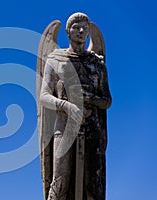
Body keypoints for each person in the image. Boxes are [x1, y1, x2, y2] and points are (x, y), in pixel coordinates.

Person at [39, 13, 112, 200]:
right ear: (67, 31)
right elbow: (44, 96)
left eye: (85, 28)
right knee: (60, 182)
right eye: (76, 27)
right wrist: (66, 106)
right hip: (64, 128)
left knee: (93, 184)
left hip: (91, 128)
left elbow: (107, 100)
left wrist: (90, 98)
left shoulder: (96, 64)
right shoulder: (55, 59)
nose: (81, 31)